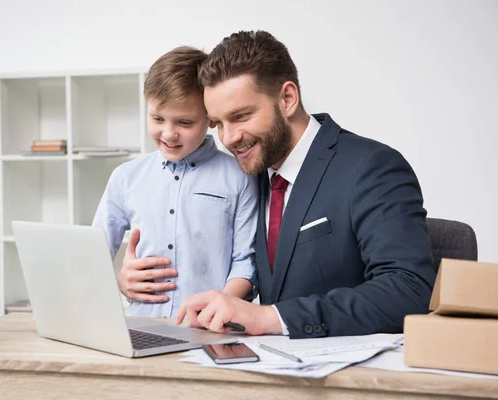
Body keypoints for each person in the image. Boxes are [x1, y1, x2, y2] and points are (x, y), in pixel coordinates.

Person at [173, 30, 436, 338]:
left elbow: (409, 289)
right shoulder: (247, 177)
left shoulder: (371, 167)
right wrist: (136, 281)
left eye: (241, 116)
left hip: (351, 375)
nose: (228, 138)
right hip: (266, 369)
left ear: (287, 98)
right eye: (218, 124)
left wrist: (270, 318)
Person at [92, 46, 258, 319]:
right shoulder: (125, 177)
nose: (169, 133)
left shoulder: (241, 177)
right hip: (140, 326)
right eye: (157, 118)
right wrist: (120, 281)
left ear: (211, 119)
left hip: (210, 329)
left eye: (184, 122)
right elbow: (92, 258)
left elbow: (246, 263)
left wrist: (221, 305)